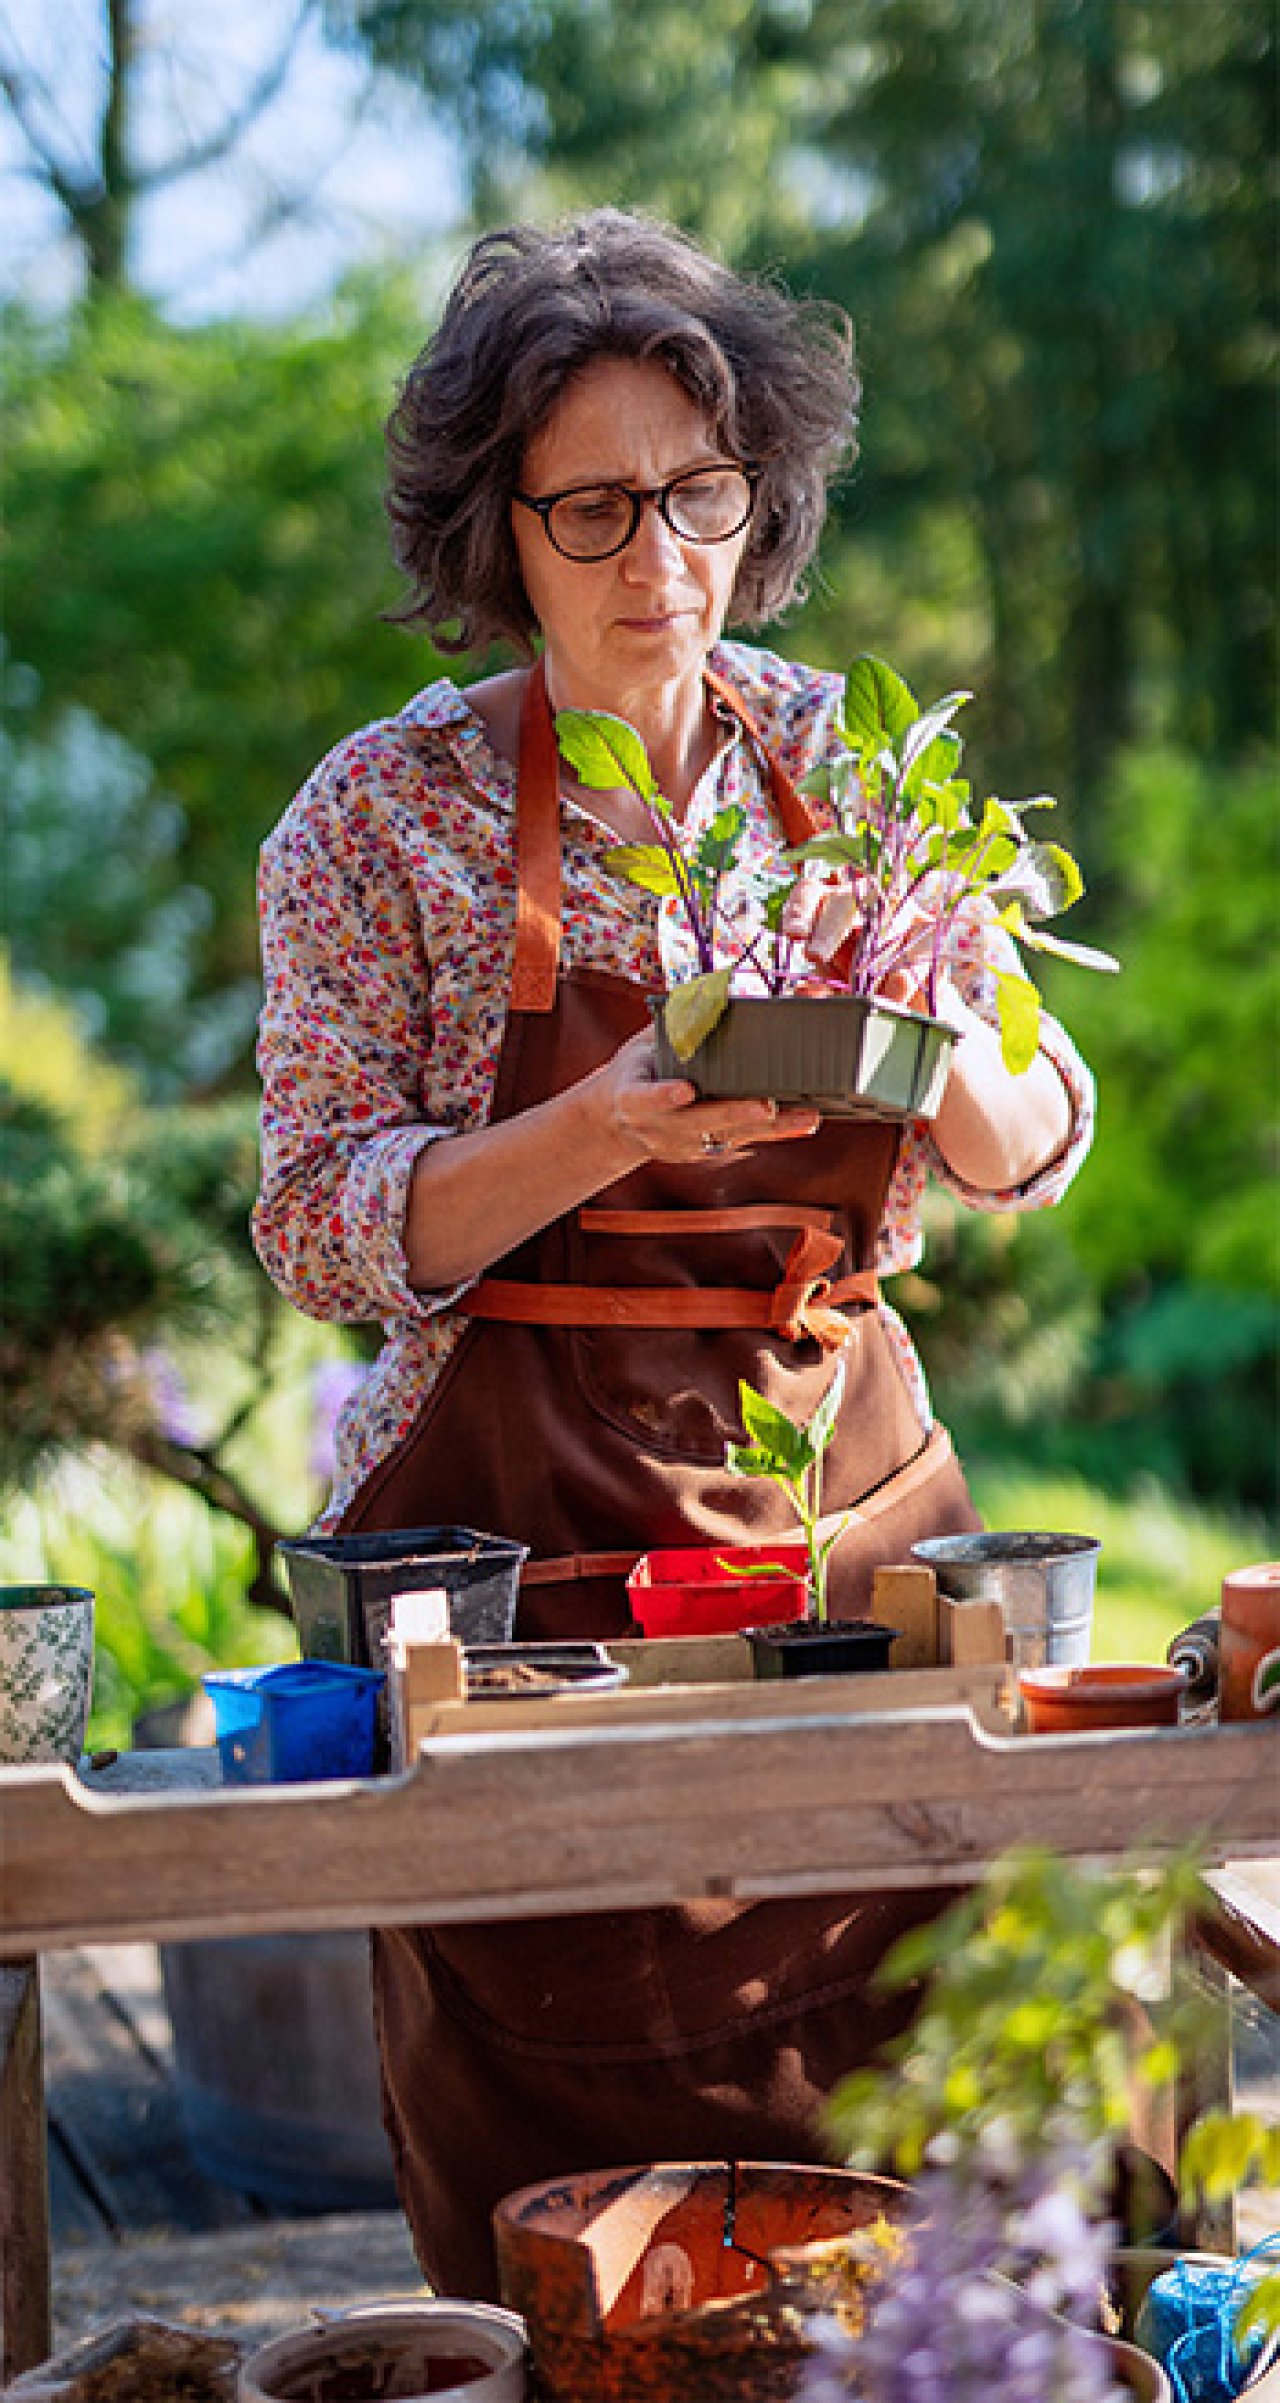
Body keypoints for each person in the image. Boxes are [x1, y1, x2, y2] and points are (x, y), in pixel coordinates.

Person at [253, 207, 1094, 2298]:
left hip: (847, 1520)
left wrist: (945, 1019)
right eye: (597, 509)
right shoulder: (380, 820)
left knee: (919, 2095)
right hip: (518, 1571)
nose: (661, 567)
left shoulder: (857, 769)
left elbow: (1028, 1137)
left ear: (763, 495)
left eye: (700, 498)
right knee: (574, 2200)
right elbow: (321, 1217)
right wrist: (602, 1116)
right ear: (495, 530)